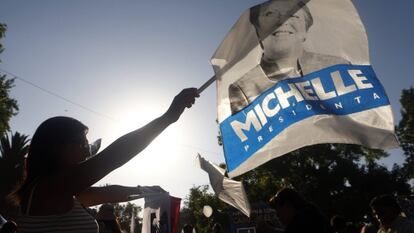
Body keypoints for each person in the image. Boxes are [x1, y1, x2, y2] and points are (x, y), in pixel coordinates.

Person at [11, 88, 199, 233]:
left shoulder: (63, 192)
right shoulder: (49, 188)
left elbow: (108, 193)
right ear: (57, 146)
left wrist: (146, 190)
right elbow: (113, 157)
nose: (87, 153)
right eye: (82, 145)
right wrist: (168, 117)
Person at [228, 0, 349, 114]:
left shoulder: (338, 67)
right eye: (270, 14)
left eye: (293, 15)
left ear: (305, 30)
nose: (282, 21)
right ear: (258, 31)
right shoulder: (242, 88)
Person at [269, 188, 333, 233]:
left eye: (278, 209)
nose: (277, 215)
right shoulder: (311, 214)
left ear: (287, 205)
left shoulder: (303, 220)